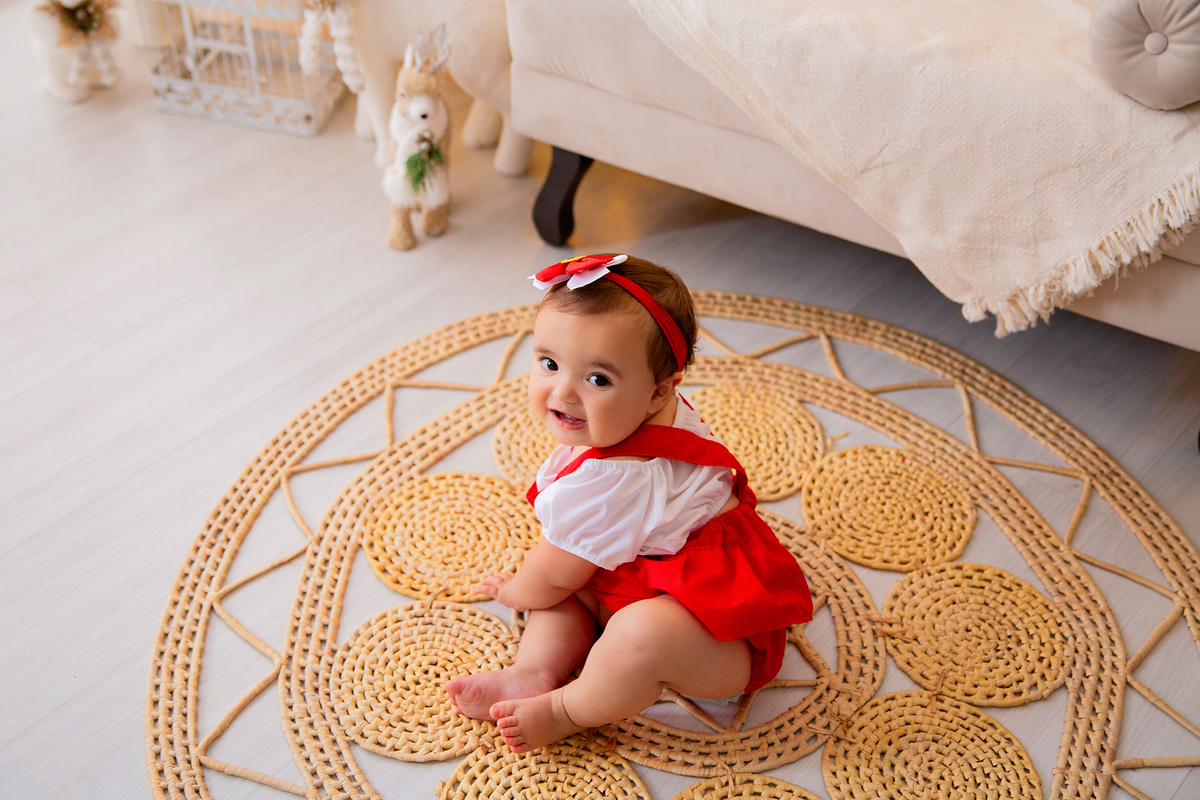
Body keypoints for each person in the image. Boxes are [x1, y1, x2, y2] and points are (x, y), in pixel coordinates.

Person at [444, 254, 813, 753]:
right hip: (655, 572)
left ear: (658, 390)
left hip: (722, 633)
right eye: (549, 363)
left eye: (598, 379)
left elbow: (554, 571)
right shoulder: (652, 410)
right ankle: (532, 672)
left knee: (622, 627)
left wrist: (516, 590)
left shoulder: (619, 477)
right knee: (584, 588)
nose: (564, 392)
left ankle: (565, 709)